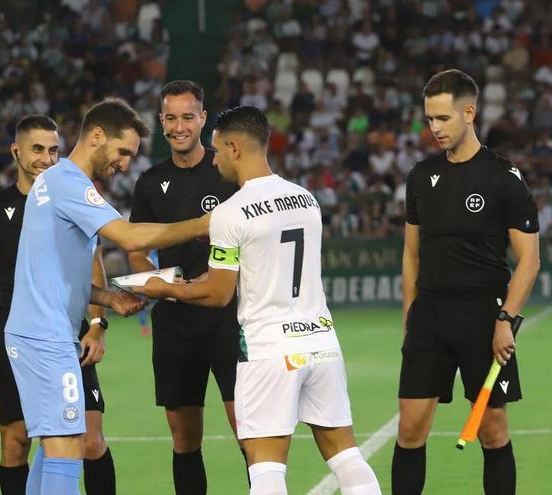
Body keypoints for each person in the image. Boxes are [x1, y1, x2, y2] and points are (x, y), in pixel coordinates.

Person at [134, 106, 381, 495]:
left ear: (234, 148)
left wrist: (164, 288)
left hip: (269, 350)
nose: (214, 161)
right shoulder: (306, 199)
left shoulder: (229, 214)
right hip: (321, 342)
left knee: (265, 467)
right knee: (346, 456)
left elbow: (217, 293)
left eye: (216, 151)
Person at [4, 97, 213, 495]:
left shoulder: (54, 182)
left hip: (40, 332)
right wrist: (201, 224)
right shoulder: (68, 183)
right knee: (67, 445)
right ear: (97, 136)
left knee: (53, 445)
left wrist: (108, 296)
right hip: (45, 338)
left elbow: (55, 271)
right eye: (123, 152)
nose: (125, 163)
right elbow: (131, 237)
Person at [392, 69, 540, 495]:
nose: (434, 128)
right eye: (429, 120)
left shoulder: (503, 178)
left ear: (468, 113)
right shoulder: (421, 176)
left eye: (442, 119)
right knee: (409, 429)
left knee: (492, 432)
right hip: (430, 318)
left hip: (483, 319)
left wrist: (505, 320)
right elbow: (411, 252)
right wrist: (409, 310)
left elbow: (529, 260)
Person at [0, 115, 115, 495]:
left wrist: (97, 325)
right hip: (16, 334)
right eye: (37, 149)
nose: (46, 159)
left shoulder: (77, 195)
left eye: (53, 150)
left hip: (68, 333)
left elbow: (95, 268)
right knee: (15, 443)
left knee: (90, 439)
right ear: (16, 151)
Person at [127, 80, 243, 494]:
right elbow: (137, 247)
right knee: (185, 438)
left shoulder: (228, 171)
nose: (180, 126)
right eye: (171, 118)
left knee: (247, 430)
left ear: (203, 119)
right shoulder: (149, 183)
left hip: (228, 318)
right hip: (175, 322)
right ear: (161, 122)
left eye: (188, 117)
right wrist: (151, 277)